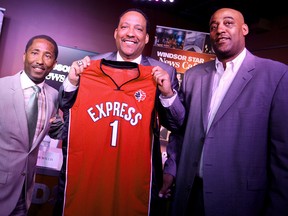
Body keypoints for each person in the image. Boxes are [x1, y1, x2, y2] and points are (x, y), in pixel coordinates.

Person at [54, 8, 184, 216]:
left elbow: (177, 124)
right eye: (125, 27)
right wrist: (71, 81)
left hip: (134, 174)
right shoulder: (90, 65)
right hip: (93, 169)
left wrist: (167, 93)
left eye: (138, 29)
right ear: (116, 33)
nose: (130, 33)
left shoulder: (162, 72)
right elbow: (64, 103)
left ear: (147, 37)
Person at [169, 8, 288, 216]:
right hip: (189, 196)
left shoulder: (276, 75)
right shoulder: (193, 76)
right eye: (213, 26)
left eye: (228, 23)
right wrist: (170, 169)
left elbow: (282, 156)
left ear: (244, 29)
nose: (219, 29)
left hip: (240, 202)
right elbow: (180, 132)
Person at [0, 34, 63, 216]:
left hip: (24, 192)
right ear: (24, 56)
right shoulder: (2, 88)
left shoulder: (53, 96)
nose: (40, 61)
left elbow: (58, 130)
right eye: (35, 53)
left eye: (47, 56)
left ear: (55, 63)